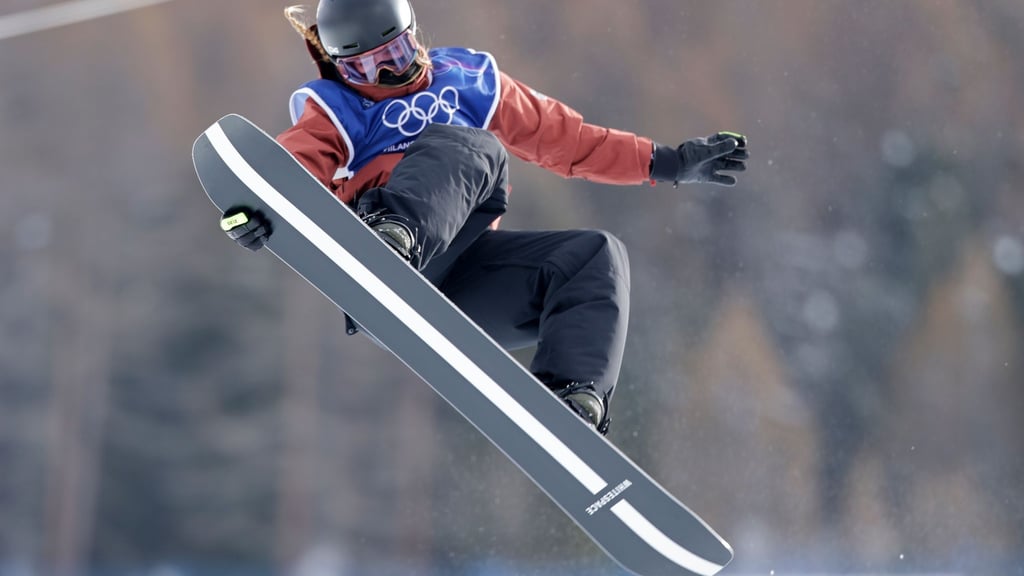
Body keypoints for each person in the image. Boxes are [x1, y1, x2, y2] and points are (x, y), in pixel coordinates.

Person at [220, 0, 748, 436]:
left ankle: (573, 397)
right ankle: (393, 240)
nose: (387, 75)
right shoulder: (337, 109)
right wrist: (259, 212)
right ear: (341, 68)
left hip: (465, 279)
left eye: (396, 55)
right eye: (365, 69)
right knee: (471, 145)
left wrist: (668, 162)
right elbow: (292, 168)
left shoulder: (468, 79)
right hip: (379, 251)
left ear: (413, 36)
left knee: (593, 256)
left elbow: (567, 139)